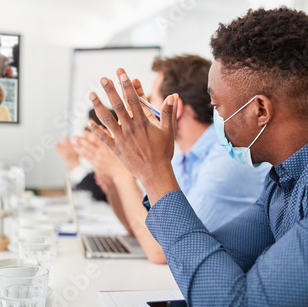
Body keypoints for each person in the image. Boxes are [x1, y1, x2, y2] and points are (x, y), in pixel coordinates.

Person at [88, 7, 308, 305]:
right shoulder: (281, 181)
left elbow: (231, 301)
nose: (214, 117)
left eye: (216, 105)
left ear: (260, 110)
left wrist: (154, 172)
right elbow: (213, 261)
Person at [76, 55, 269, 263]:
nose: (145, 109)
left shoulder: (228, 158)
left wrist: (122, 175)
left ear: (172, 108)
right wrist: (111, 182)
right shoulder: (180, 157)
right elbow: (138, 227)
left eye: (150, 101)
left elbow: (162, 250)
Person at [55, 109, 118, 202]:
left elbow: (98, 195)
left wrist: (74, 163)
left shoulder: (118, 166)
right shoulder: (94, 166)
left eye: (88, 129)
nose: (84, 134)